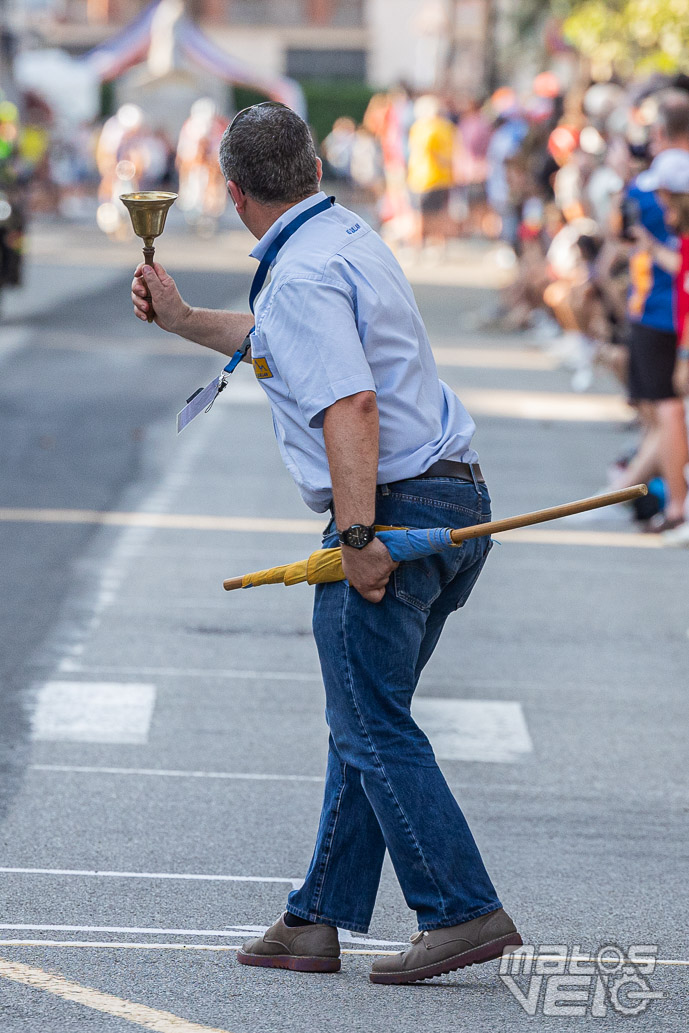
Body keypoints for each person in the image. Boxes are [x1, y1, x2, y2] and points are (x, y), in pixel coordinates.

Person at [130, 102, 521, 984]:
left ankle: (461, 908)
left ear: (232, 194)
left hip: (392, 507)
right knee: (364, 716)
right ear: (312, 168)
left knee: (370, 721)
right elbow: (282, 346)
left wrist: (357, 538)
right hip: (450, 491)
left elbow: (349, 405)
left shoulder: (301, 274)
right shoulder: (341, 237)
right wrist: (187, 317)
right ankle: (315, 917)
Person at [613, 90, 689, 530]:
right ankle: (648, 492)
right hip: (661, 315)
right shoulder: (649, 196)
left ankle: (672, 503)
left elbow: (618, 229)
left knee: (666, 411)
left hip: (660, 316)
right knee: (662, 413)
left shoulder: (641, 195)